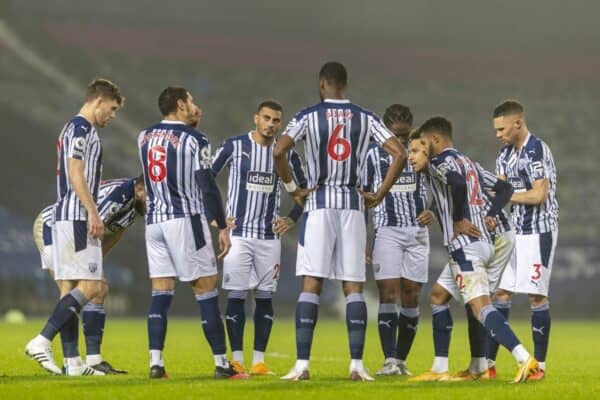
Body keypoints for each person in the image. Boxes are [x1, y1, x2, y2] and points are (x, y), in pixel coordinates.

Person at [274, 61, 406, 381]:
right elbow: (399, 153)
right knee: (353, 287)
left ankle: (302, 365)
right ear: (345, 85)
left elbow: (279, 151)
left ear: (322, 84)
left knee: (312, 283)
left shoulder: (308, 116)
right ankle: (357, 365)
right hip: (353, 206)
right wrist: (379, 193)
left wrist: (294, 190)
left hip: (319, 204)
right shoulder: (366, 116)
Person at [408, 117, 539, 384]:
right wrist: (489, 215)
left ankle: (526, 360)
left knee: (480, 307)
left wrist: (457, 219)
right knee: (437, 296)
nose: (419, 150)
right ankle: (446, 367)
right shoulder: (468, 162)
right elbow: (503, 188)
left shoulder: (438, 162)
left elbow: (455, 183)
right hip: (483, 241)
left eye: (421, 144)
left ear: (434, 140)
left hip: (465, 246)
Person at [138, 86, 243, 379]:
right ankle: (222, 364)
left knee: (161, 292)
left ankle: (155, 364)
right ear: (181, 105)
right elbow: (207, 185)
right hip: (186, 220)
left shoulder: (143, 136)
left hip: (154, 221)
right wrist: (221, 224)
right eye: (192, 101)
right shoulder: (196, 139)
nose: (196, 105)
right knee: (206, 289)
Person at [25, 78, 124, 376]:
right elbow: (75, 171)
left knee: (68, 290)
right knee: (92, 286)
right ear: (98, 101)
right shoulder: (81, 128)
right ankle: (42, 340)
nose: (114, 115)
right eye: (113, 108)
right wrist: (93, 212)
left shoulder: (77, 128)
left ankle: (73, 363)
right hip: (77, 216)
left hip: (68, 216)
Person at [210, 100, 307, 375]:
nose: (271, 124)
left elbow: (302, 194)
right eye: (266, 118)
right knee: (236, 296)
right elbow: (206, 179)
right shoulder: (234, 146)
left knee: (265, 299)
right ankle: (237, 359)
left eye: (276, 120)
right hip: (238, 236)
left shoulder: (287, 155)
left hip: (268, 237)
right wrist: (216, 217)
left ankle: (259, 362)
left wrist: (292, 217)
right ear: (256, 118)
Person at [33, 177, 146, 374]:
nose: (155, 203)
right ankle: (48, 346)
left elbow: (116, 234)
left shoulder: (133, 207)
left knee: (98, 289)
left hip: (77, 232)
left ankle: (92, 361)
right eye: (152, 196)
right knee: (71, 290)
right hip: (53, 227)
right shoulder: (120, 194)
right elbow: (91, 223)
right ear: (139, 189)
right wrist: (87, 267)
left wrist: (96, 264)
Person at [488, 100, 559, 380]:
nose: (498, 134)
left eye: (501, 128)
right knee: (500, 294)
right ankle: (488, 365)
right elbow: (500, 190)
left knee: (536, 295)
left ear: (518, 122)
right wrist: (493, 214)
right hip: (513, 233)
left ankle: (539, 367)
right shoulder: (505, 155)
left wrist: (505, 197)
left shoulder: (537, 149)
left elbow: (539, 195)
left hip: (538, 231)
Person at [362, 105, 433, 376]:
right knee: (388, 293)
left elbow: (440, 187)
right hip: (386, 230)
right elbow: (364, 197)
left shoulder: (422, 152)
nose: (402, 142)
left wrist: (433, 211)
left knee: (412, 295)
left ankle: (401, 361)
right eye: (397, 136)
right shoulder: (372, 155)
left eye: (405, 136)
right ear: (386, 130)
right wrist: (362, 238)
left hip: (416, 232)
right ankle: (389, 360)